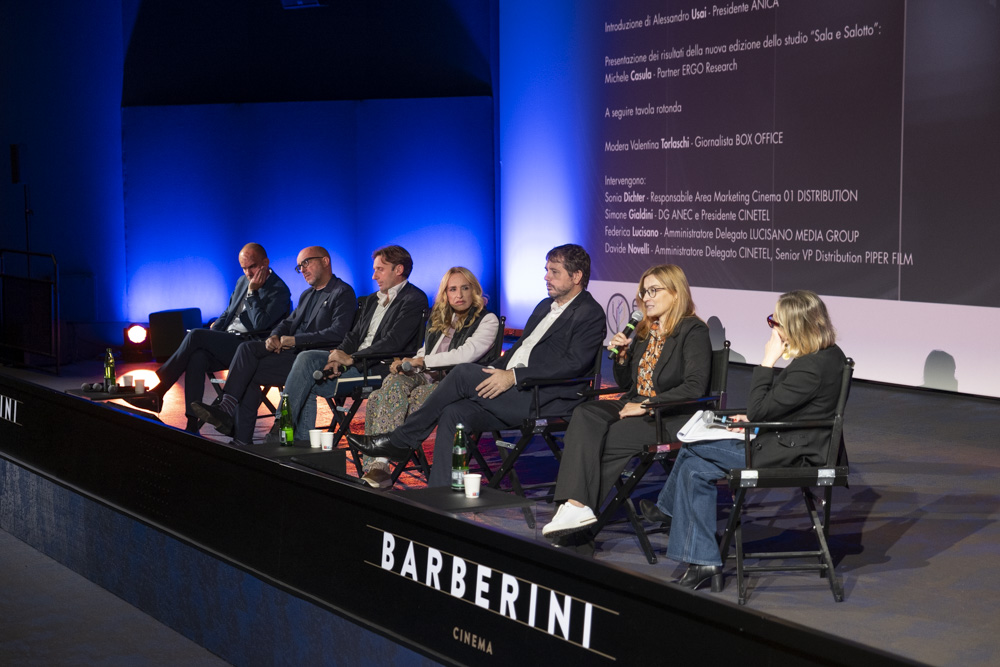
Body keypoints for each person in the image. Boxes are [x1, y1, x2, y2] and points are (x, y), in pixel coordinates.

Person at [348, 243, 606, 488]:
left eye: (554, 272)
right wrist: (496, 370)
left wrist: (514, 376)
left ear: (576, 276)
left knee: (462, 373)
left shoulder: (590, 313)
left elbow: (573, 364)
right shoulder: (544, 306)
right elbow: (517, 350)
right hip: (512, 389)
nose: (546, 277)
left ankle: (401, 440)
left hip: (541, 396)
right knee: (453, 413)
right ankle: (441, 492)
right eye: (546, 270)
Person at [647, 290, 846, 590]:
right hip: (790, 440)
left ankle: (671, 514)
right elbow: (786, 408)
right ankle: (703, 561)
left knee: (692, 446)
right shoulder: (829, 355)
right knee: (694, 469)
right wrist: (755, 421)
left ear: (795, 326)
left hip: (792, 454)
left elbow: (760, 408)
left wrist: (767, 361)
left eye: (775, 322)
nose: (772, 329)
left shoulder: (810, 368)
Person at [540, 264, 711, 540]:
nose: (646, 298)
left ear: (676, 293)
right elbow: (628, 384)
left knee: (609, 437)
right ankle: (574, 507)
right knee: (584, 414)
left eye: (654, 291)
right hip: (635, 401)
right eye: (644, 292)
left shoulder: (693, 330)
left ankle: (576, 520)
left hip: (669, 415)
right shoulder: (645, 330)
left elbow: (694, 387)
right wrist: (621, 358)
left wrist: (646, 406)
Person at [190, 246, 357, 445]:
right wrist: (274, 336)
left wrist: (295, 340)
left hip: (313, 360)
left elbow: (337, 333)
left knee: (248, 367)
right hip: (292, 355)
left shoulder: (342, 292)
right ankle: (236, 428)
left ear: (325, 261)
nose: (302, 269)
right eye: (299, 266)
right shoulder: (307, 295)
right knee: (247, 350)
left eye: (306, 263)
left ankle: (235, 427)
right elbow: (288, 322)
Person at [126, 243, 291, 432]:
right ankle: (192, 425)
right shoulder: (242, 281)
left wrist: (253, 293)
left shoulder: (279, 290)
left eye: (252, 267)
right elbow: (228, 313)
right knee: (197, 357)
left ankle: (159, 391)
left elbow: (259, 324)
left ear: (265, 262)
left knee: (196, 335)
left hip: (250, 347)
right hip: (228, 341)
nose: (248, 273)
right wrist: (213, 334)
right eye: (244, 268)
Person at [360, 266, 500, 488]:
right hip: (427, 375)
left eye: (465, 288)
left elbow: (466, 354)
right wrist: (408, 365)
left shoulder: (487, 319)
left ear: (474, 290)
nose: (459, 294)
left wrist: (422, 362)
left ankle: (380, 465)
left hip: (455, 385)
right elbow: (426, 352)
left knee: (383, 398)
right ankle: (381, 463)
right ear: (445, 294)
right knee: (391, 383)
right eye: (452, 289)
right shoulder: (441, 319)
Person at [280, 245, 428, 444]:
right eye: (374, 270)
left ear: (399, 270)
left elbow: (393, 342)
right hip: (356, 362)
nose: (374, 276)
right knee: (307, 358)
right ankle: (298, 442)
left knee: (308, 382)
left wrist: (351, 359)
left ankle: (284, 430)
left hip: (379, 368)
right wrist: (337, 357)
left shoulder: (414, 299)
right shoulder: (372, 300)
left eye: (380, 269)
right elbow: (354, 335)